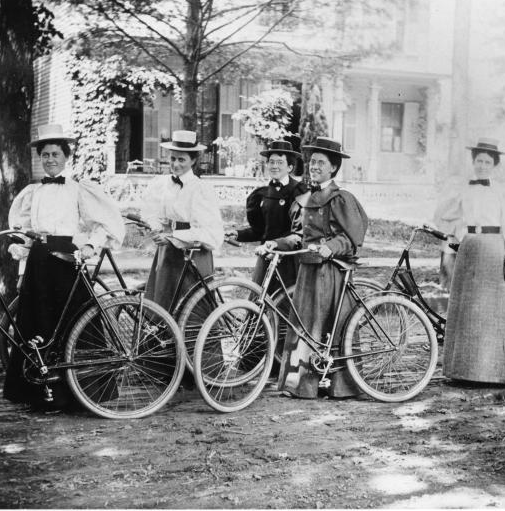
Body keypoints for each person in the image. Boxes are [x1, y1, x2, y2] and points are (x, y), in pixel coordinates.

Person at [4, 123, 126, 408]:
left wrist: (89, 246)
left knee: (75, 323)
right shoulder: (32, 192)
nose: (50, 160)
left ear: (66, 156)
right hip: (38, 262)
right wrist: (22, 271)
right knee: (37, 325)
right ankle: (41, 395)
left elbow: (101, 224)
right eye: (45, 155)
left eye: (55, 154)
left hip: (66, 260)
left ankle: (81, 395)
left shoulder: (78, 190)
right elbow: (25, 234)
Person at [259, 137, 369, 399]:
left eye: (321, 162)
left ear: (333, 168)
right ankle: (301, 384)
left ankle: (343, 385)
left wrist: (332, 246)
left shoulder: (341, 198)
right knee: (304, 326)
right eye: (312, 162)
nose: (314, 166)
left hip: (331, 273)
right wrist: (275, 243)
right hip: (307, 270)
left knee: (335, 325)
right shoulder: (306, 198)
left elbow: (354, 235)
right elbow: (299, 234)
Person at [434, 137, 505, 385]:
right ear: (473, 163)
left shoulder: (504, 192)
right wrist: (448, 252)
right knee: (466, 311)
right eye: (478, 161)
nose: (482, 165)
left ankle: (497, 373)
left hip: (494, 249)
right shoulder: (462, 189)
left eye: (487, 162)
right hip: (469, 248)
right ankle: (464, 371)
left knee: (493, 312)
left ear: (494, 165)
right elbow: (447, 219)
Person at [142, 130, 223, 311]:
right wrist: (156, 228)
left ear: (193, 160)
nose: (175, 164)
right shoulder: (163, 184)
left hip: (193, 252)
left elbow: (207, 230)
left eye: (181, 160)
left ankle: (194, 339)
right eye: (173, 159)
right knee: (164, 301)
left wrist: (173, 237)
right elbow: (154, 212)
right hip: (168, 252)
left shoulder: (201, 189)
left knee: (191, 308)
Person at [226, 140, 307, 292]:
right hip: (266, 257)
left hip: (289, 259)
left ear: (290, 167)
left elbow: (300, 233)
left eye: (280, 162)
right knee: (258, 302)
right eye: (271, 162)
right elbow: (260, 230)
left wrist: (277, 243)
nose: (274, 166)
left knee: (285, 304)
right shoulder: (262, 194)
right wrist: (238, 234)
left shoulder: (300, 192)